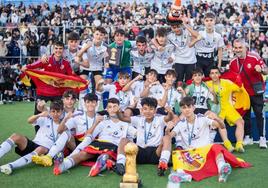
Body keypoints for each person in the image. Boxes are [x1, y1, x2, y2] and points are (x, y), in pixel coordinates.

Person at [166, 97, 250, 183]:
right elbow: (169, 136)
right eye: (184, 108)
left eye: (189, 107)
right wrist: (167, 129)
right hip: (191, 155)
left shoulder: (202, 119)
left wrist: (216, 118)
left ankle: (222, 168)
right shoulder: (180, 124)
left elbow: (222, 126)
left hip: (206, 153)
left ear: (193, 108)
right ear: (181, 110)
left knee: (216, 146)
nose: (187, 109)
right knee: (177, 153)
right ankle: (184, 175)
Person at [52, 98, 136, 176]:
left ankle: (98, 167)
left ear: (119, 109)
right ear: (107, 109)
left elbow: (136, 134)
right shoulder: (103, 122)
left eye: (115, 107)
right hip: (98, 143)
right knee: (82, 154)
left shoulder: (126, 125)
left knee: (105, 156)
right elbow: (88, 135)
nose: (112, 109)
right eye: (110, 107)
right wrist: (96, 123)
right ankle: (63, 166)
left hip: (113, 145)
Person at [31, 93, 101, 167]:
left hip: (93, 145)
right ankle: (49, 156)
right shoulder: (77, 116)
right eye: (88, 102)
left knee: (89, 138)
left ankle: (67, 159)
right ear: (84, 103)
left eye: (93, 102)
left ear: (97, 103)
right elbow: (59, 130)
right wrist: (65, 119)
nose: (90, 104)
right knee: (66, 133)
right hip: (76, 144)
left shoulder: (101, 117)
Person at [21, 41, 74, 132]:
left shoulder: (66, 63)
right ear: (53, 49)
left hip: (57, 93)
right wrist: (25, 67)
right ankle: (38, 135)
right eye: (56, 48)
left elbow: (71, 78)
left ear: (63, 50)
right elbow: (33, 66)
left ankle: (57, 133)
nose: (58, 50)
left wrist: (82, 81)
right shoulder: (46, 60)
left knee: (59, 114)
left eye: (60, 48)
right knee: (38, 113)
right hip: (43, 92)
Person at [0, 100, 64, 175]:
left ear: (62, 112)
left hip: (45, 152)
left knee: (41, 148)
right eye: (53, 111)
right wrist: (39, 115)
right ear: (50, 112)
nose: (55, 114)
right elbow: (29, 121)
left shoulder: (64, 126)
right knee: (16, 136)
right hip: (34, 144)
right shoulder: (46, 119)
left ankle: (10, 166)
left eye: (58, 112)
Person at [115, 97, 174, 176]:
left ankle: (163, 163)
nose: (148, 111)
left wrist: (170, 112)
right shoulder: (138, 119)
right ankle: (120, 164)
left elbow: (169, 117)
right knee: (123, 140)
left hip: (155, 153)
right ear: (142, 110)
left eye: (151, 109)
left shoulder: (159, 119)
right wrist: (118, 111)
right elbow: (122, 118)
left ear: (155, 110)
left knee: (167, 137)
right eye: (145, 109)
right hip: (139, 152)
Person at [229, 38, 268, 149]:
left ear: (246, 47)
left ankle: (262, 138)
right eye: (236, 48)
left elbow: (266, 70)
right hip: (242, 94)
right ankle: (248, 137)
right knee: (245, 116)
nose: (238, 50)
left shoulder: (254, 57)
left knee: (259, 114)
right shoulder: (233, 62)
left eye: (240, 47)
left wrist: (261, 69)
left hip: (255, 91)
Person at [206, 66, 245, 152]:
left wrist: (239, 81)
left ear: (219, 74)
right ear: (209, 75)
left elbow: (239, 89)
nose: (215, 75)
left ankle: (239, 144)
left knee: (241, 122)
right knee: (220, 123)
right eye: (212, 73)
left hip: (228, 107)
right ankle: (228, 144)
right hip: (217, 109)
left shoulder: (226, 82)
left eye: (216, 73)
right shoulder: (207, 84)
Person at [191, 12, 224, 76]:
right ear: (204, 22)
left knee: (209, 80)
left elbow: (220, 50)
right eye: (207, 21)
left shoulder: (218, 35)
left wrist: (219, 65)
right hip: (198, 59)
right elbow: (190, 45)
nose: (209, 22)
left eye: (211, 20)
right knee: (198, 79)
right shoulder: (199, 32)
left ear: (215, 21)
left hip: (210, 60)